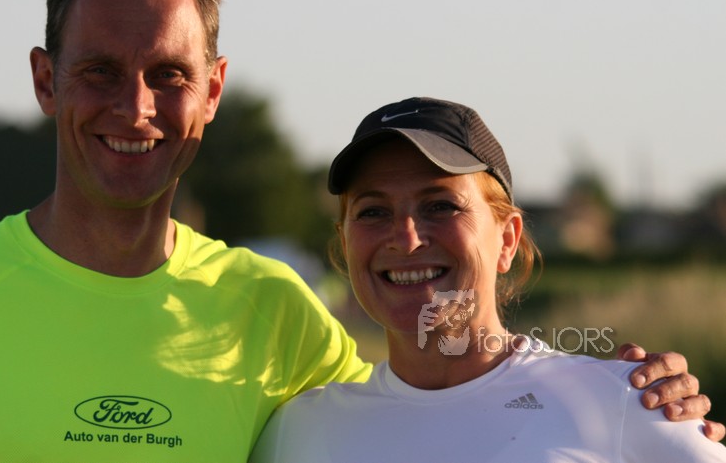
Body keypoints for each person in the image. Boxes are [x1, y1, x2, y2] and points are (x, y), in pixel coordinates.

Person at [0, 0, 720, 463]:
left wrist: (640, 399)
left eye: (168, 74)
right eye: (100, 71)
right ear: (45, 80)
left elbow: (443, 393)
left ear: (212, 92)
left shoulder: (274, 312)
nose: (135, 107)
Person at [249, 96, 726, 462]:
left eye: (440, 206)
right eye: (373, 211)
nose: (406, 239)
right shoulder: (297, 431)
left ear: (508, 239)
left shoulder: (623, 405)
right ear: (344, 242)